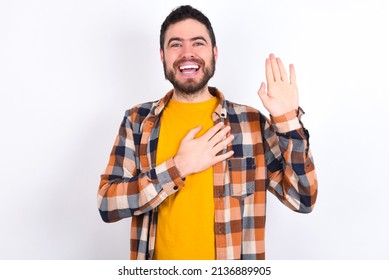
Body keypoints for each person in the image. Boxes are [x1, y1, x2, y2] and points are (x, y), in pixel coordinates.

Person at [97, 5, 318, 260]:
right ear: (162, 55)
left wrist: (287, 121)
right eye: (176, 44)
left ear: (214, 53)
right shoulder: (137, 121)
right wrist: (178, 167)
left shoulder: (251, 124)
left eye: (198, 43)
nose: (187, 53)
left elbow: (303, 198)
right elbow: (107, 204)